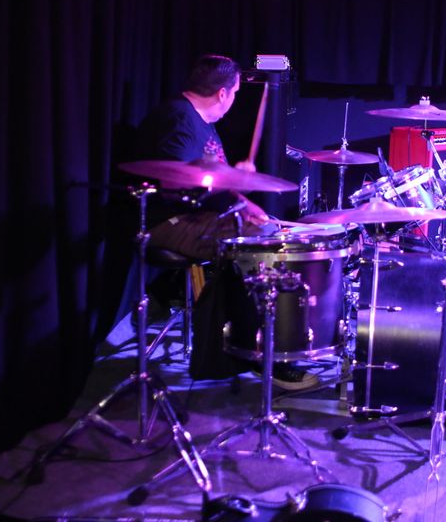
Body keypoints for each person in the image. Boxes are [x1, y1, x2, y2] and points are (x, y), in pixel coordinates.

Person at [136, 54, 319, 390]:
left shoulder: (199, 121)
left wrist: (244, 202)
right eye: (234, 92)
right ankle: (263, 353)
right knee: (262, 243)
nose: (233, 99)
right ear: (223, 93)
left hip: (193, 217)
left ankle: (250, 341)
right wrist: (234, 184)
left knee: (268, 227)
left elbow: (210, 182)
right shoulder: (178, 120)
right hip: (168, 223)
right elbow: (177, 185)